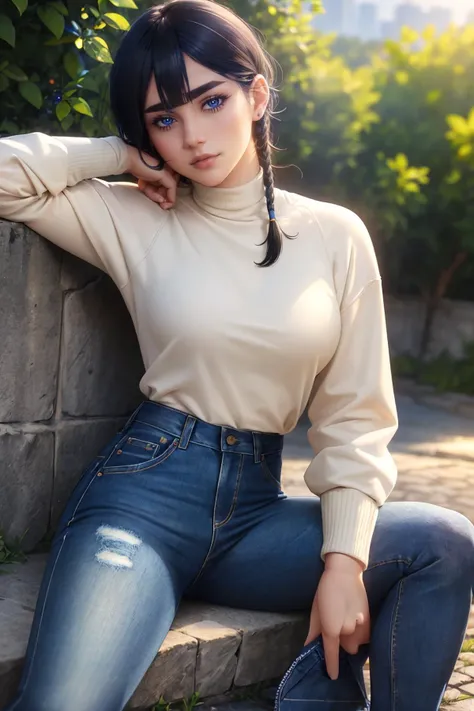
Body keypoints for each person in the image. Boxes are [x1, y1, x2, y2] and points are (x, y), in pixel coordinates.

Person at [0, 1, 473, 709]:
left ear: (256, 95)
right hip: (143, 502)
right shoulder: (133, 215)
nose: (192, 136)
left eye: (211, 100)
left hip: (256, 512)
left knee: (444, 538)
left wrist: (344, 560)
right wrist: (117, 154)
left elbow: (355, 419)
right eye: (164, 118)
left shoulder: (336, 237)